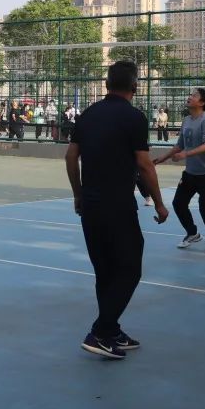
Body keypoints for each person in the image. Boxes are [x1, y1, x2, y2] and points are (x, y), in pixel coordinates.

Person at [65, 61, 168, 360]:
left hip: (91, 205)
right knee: (130, 268)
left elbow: (71, 157)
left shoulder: (88, 114)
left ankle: (110, 331)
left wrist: (78, 194)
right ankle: (100, 331)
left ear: (107, 84)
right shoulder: (134, 117)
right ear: (135, 86)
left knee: (105, 271)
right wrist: (159, 202)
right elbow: (144, 164)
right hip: (118, 205)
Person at [154, 89, 205, 254]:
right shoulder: (186, 120)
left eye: (194, 96)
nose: (190, 97)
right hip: (191, 172)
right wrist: (162, 158)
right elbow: (180, 145)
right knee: (178, 203)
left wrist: (185, 154)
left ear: (202, 103)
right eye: (190, 95)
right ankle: (192, 233)